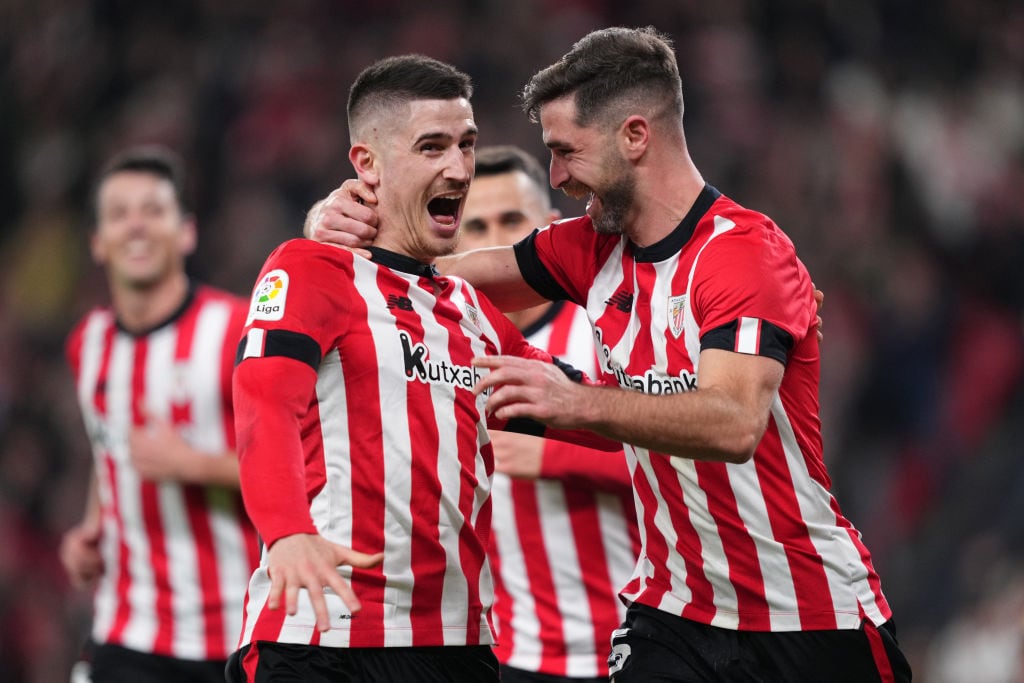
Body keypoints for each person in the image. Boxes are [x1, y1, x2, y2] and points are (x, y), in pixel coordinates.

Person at [307, 27, 912, 682]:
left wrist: (573, 401)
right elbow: (436, 273)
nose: (558, 176)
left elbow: (735, 423)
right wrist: (337, 230)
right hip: (676, 612)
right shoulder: (589, 250)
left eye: (567, 152)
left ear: (634, 137)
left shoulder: (744, 254)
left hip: (809, 616)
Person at [227, 55, 613, 683]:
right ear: (367, 164)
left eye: (466, 145)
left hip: (457, 646)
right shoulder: (311, 268)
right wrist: (287, 533)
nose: (458, 169)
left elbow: (583, 406)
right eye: (432, 147)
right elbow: (263, 400)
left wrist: (712, 390)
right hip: (325, 638)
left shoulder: (470, 311)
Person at [59, 145, 260, 682]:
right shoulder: (89, 342)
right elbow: (109, 450)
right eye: (120, 214)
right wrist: (92, 526)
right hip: (125, 628)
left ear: (187, 232)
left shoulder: (238, 332)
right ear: (98, 243)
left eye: (153, 210)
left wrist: (191, 463)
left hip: (231, 637)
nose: (137, 226)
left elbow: (308, 470)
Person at [458, 145, 641, 682]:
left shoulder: (607, 335)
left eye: (511, 221)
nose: (494, 239)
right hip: (510, 655)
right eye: (476, 225)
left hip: (634, 645)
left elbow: (690, 463)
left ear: (548, 231)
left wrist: (550, 455)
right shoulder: (442, 348)